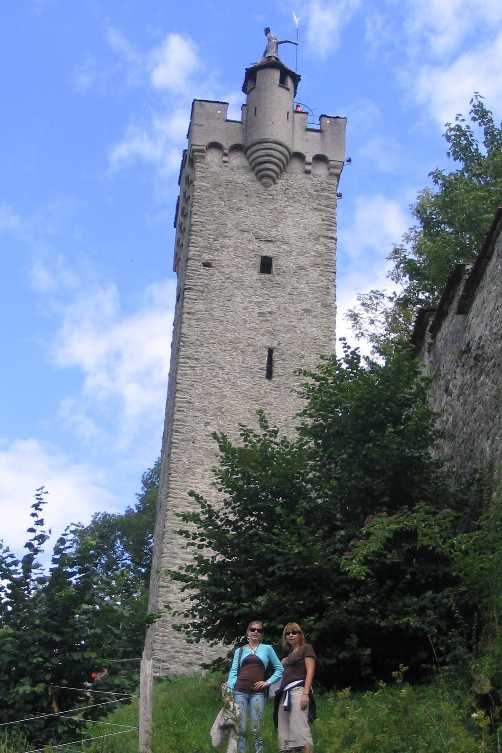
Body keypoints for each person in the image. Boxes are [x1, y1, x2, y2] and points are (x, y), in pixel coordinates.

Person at [226, 620, 283, 753]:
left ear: (262, 634)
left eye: (259, 630)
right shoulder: (240, 651)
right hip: (240, 691)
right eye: (253, 629)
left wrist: (268, 682)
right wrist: (228, 693)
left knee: (256, 727)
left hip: (258, 693)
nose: (256, 631)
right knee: (241, 727)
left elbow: (279, 669)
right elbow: (233, 672)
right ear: (247, 633)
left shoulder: (267, 649)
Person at [275, 623, 316, 753]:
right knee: (285, 736)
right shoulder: (287, 656)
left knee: (300, 733)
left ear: (300, 634)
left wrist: (305, 694)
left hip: (298, 692)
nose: (291, 635)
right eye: (287, 633)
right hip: (284, 695)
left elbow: (310, 671)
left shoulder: (306, 648)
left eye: (294, 632)